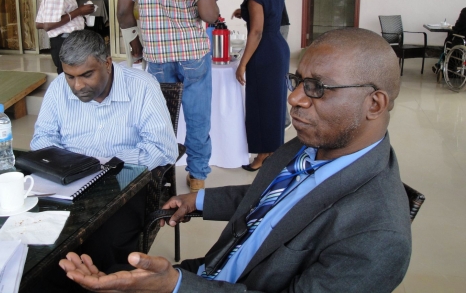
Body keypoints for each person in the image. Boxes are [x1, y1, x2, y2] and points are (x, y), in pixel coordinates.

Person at [59, 28, 412, 293]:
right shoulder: (315, 145)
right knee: (74, 277)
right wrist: (195, 199)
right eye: (299, 81)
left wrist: (176, 286)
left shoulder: (378, 234)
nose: (295, 98)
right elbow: (269, 197)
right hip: (211, 271)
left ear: (375, 104)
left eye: (318, 88)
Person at [31, 30, 178, 275]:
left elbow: (163, 149)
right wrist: (73, 165)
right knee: (41, 240)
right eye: (70, 76)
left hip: (123, 184)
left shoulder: (141, 87)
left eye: (87, 75)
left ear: (107, 63)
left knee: (105, 246)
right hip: (68, 181)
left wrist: (102, 164)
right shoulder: (59, 88)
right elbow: (41, 140)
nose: (77, 86)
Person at [115, 0, 220, 192]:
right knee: (198, 118)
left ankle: (161, 177)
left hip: (158, 56)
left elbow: (123, 12)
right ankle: (197, 178)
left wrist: (136, 45)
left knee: (161, 120)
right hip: (193, 54)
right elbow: (209, 15)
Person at [233, 0, 292, 130]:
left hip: (272, 30)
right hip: (272, 32)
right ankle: (277, 126)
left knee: (271, 85)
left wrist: (242, 65)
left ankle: (280, 122)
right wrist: (247, 11)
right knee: (272, 83)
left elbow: (261, 21)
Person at [236, 0, 290, 172]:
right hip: (279, 49)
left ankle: (261, 156)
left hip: (264, 52)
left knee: (260, 104)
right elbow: (269, 15)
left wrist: (242, 64)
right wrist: (243, 12)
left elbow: (256, 32)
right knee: (275, 103)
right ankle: (273, 151)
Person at [35, 0, 95, 74]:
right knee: (69, 78)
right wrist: (79, 11)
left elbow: (39, 23)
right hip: (65, 42)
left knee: (73, 76)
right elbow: (48, 25)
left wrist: (78, 14)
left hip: (68, 41)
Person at [433, 7, 466, 74]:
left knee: (449, 40)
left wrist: (453, 29)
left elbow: (459, 27)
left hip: (462, 40)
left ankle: (446, 68)